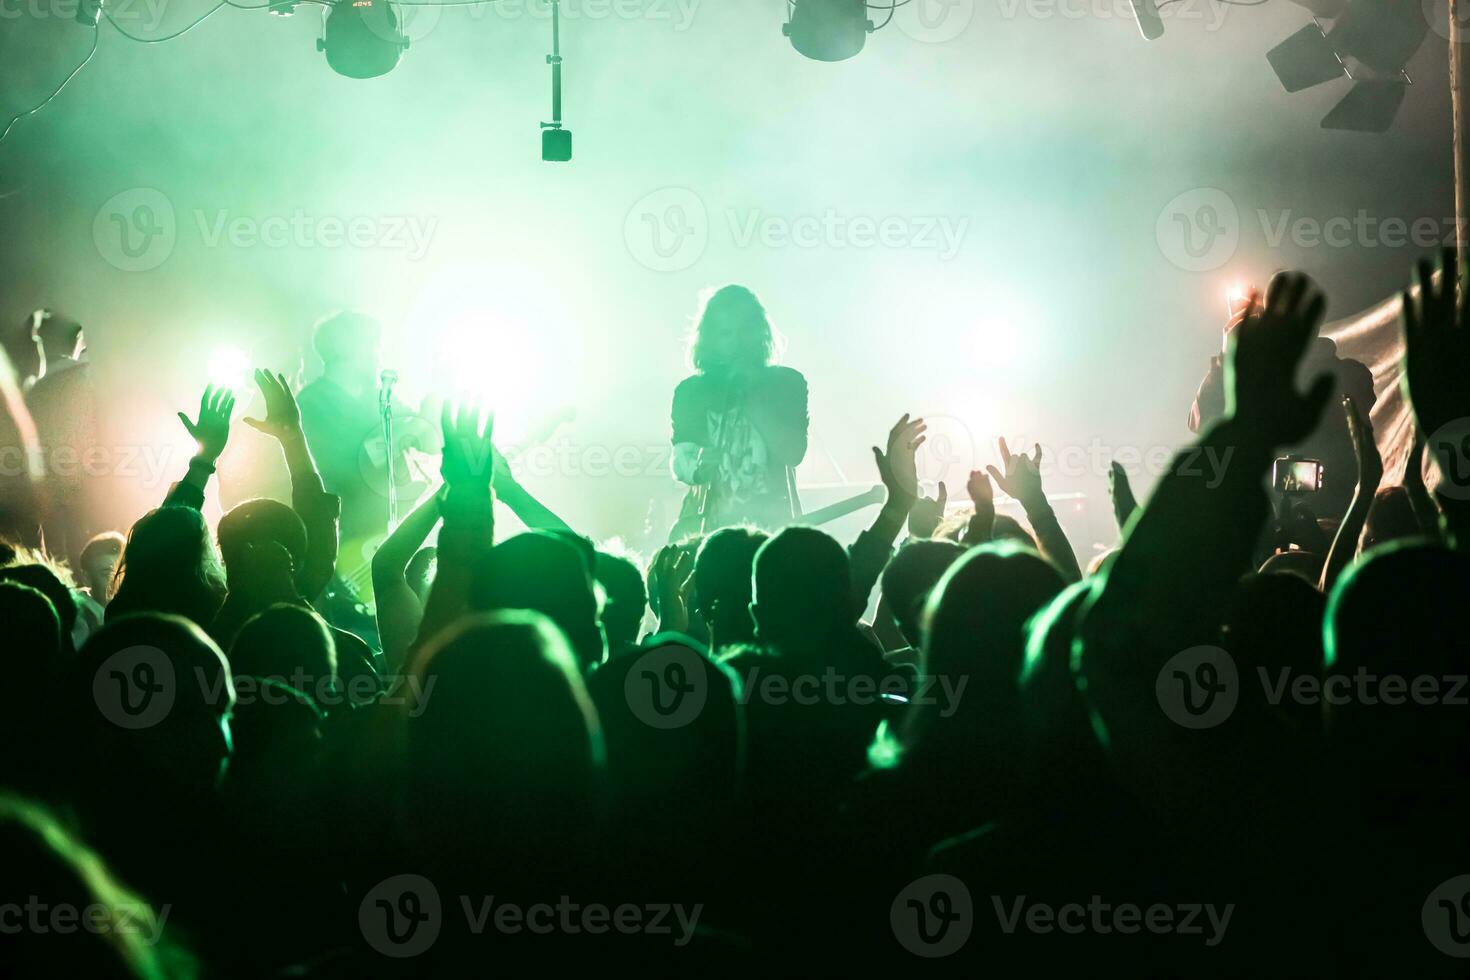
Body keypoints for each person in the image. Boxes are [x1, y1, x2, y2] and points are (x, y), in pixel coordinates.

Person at [1188, 285, 1375, 521]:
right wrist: (1229, 356)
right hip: (1263, 519)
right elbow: (1204, 424)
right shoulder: (1256, 377)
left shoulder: (1347, 373)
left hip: (1331, 517)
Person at [669, 286, 808, 536]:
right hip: (711, 532)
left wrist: (752, 398)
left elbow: (794, 452)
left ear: (759, 333)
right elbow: (681, 459)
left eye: (745, 332)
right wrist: (698, 468)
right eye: (726, 334)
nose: (737, 342)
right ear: (711, 339)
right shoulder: (691, 392)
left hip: (774, 531)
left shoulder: (787, 383)